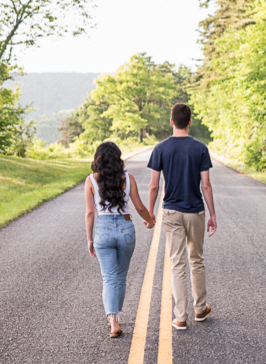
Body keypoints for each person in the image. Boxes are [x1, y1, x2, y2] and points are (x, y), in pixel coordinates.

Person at [147, 103, 216, 330]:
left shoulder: (160, 148)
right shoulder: (200, 148)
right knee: (196, 259)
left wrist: (150, 212)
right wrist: (212, 214)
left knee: (177, 262)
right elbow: (205, 185)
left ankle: (180, 317)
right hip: (195, 211)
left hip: (171, 212)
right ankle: (200, 309)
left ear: (171, 121)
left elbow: (154, 186)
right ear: (189, 121)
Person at [85, 141, 155, 338]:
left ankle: (113, 320)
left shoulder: (91, 180)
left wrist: (90, 239)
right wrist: (150, 221)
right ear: (118, 158)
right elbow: (140, 207)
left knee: (108, 277)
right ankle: (116, 316)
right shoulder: (128, 178)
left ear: (97, 159)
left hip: (103, 230)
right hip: (126, 229)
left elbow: (90, 213)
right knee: (121, 277)